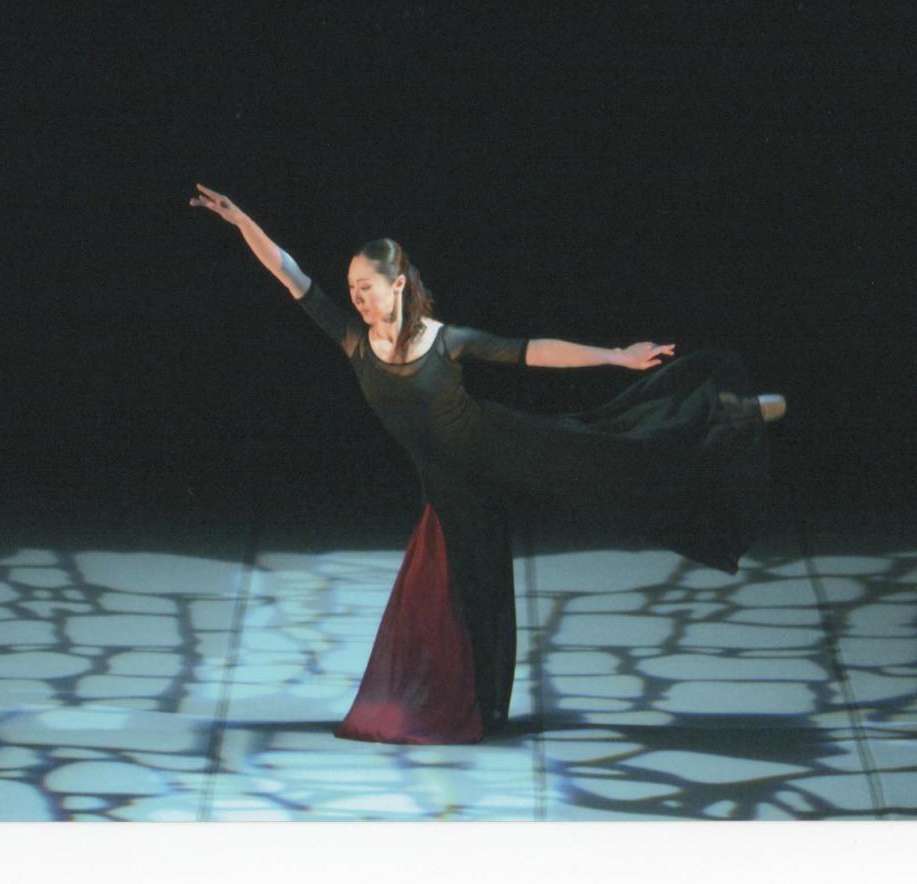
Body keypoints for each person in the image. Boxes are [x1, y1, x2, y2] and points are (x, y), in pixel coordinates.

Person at [189, 182, 784, 745]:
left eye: (366, 286)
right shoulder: (354, 342)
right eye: (351, 288)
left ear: (398, 284)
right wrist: (242, 222)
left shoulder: (445, 341)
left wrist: (616, 357)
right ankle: (481, 710)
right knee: (478, 592)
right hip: (455, 492)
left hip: (505, 447)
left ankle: (727, 413)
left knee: (610, 453)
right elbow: (290, 273)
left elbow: (533, 352)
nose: (356, 297)